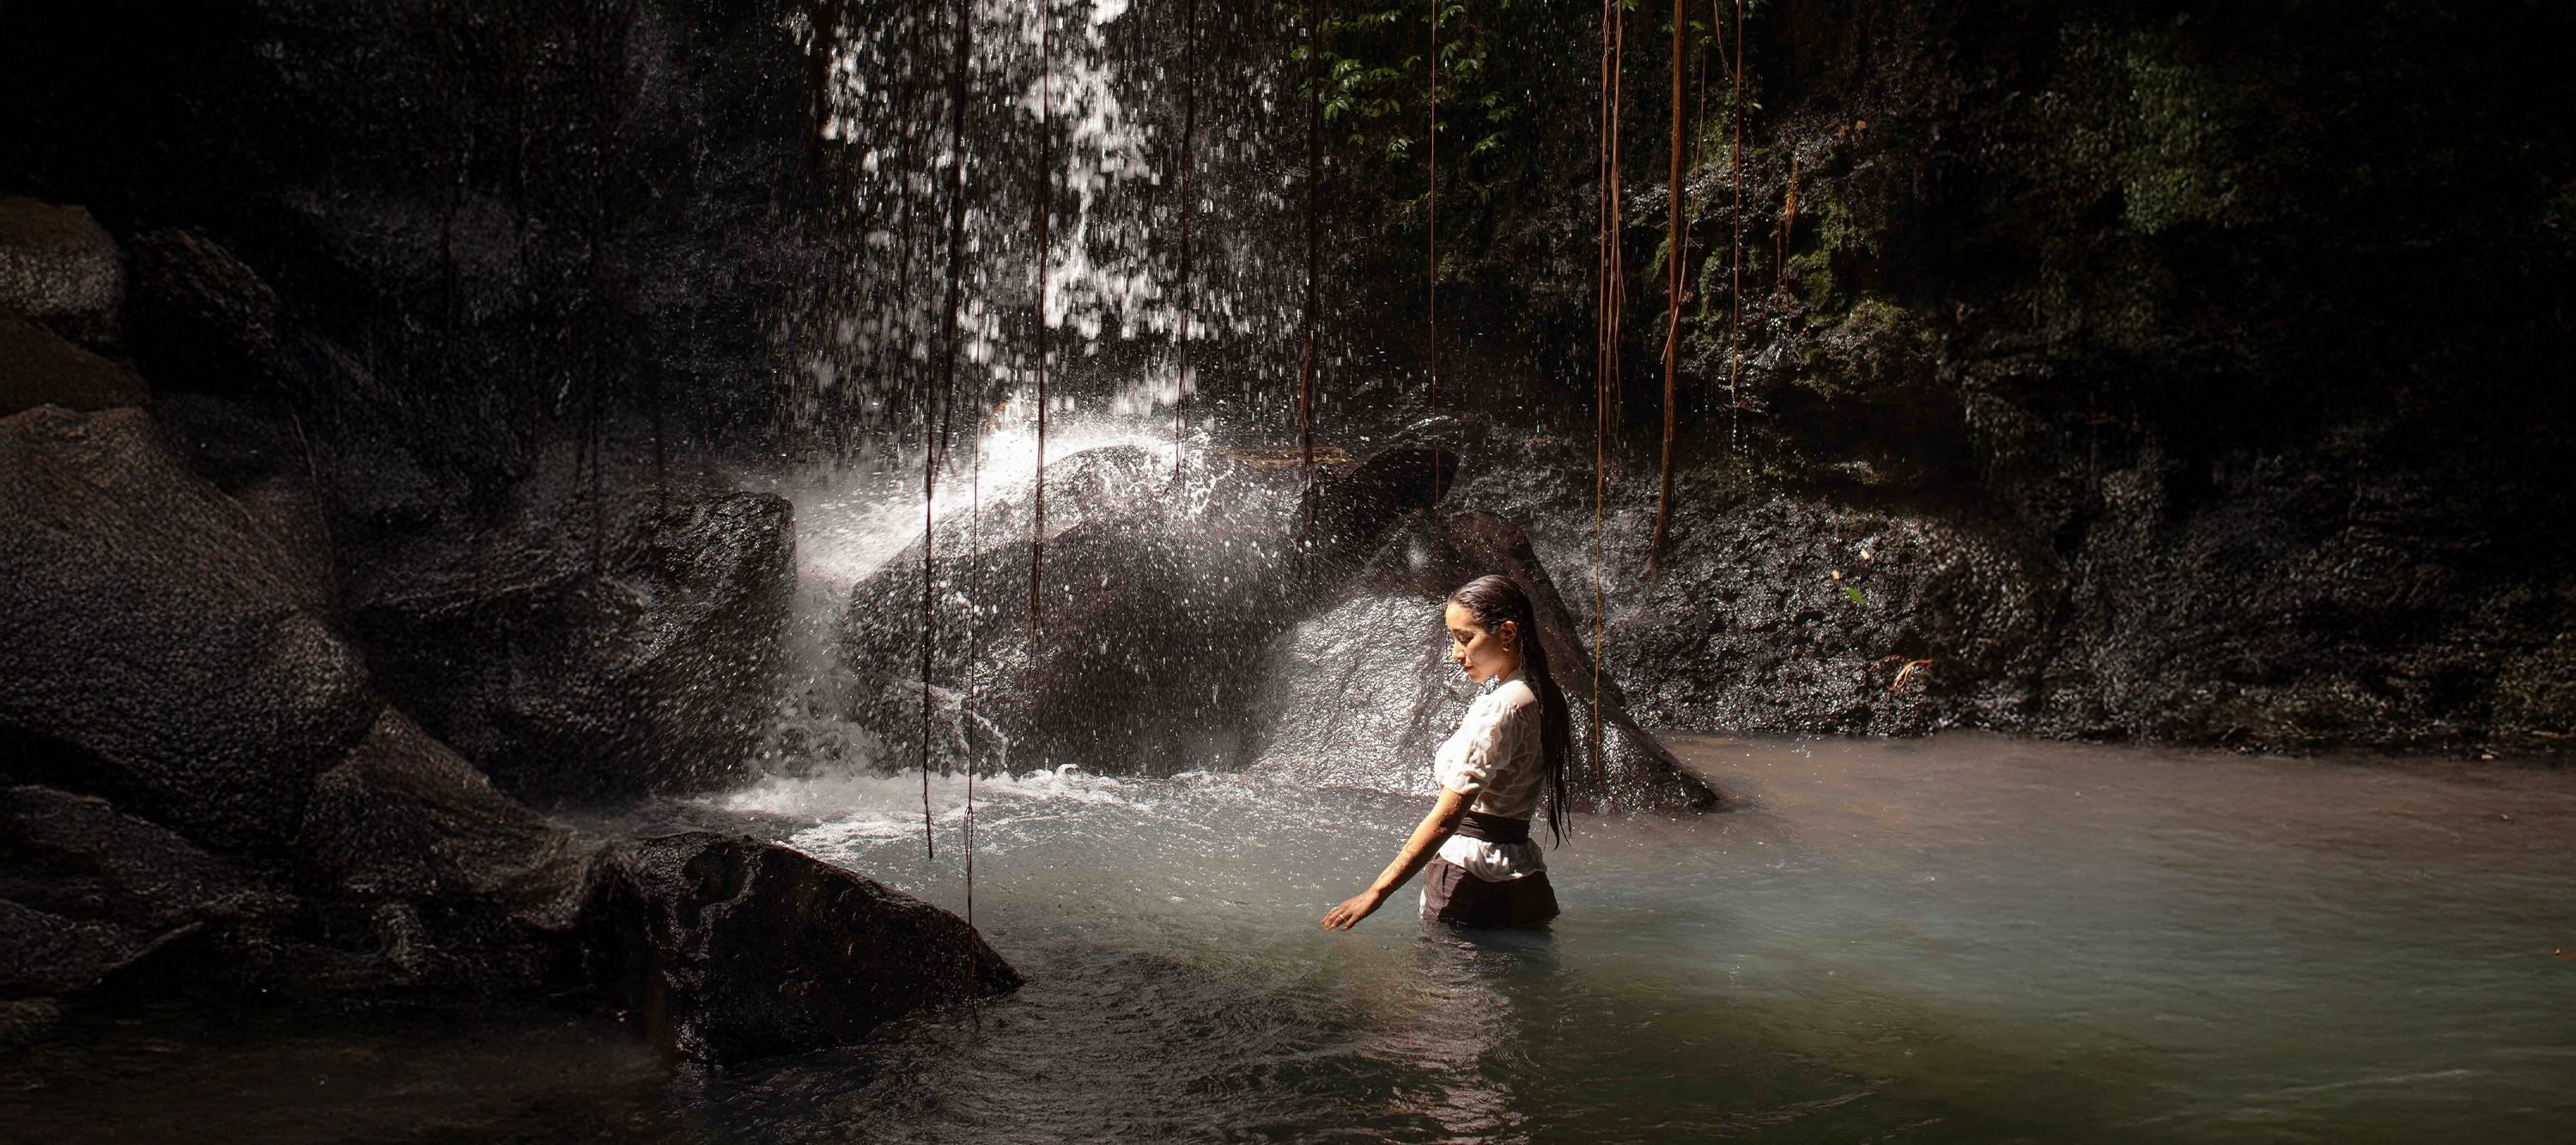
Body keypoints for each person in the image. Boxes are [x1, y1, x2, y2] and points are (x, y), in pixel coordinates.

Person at [1321, 574, 1572, 931]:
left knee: (1441, 986)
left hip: (1470, 884)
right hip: (1526, 884)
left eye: (1465, 639)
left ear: (1507, 633)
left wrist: (1376, 891)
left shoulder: (1499, 708)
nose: (1456, 654)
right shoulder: (1548, 695)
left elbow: (1445, 819)